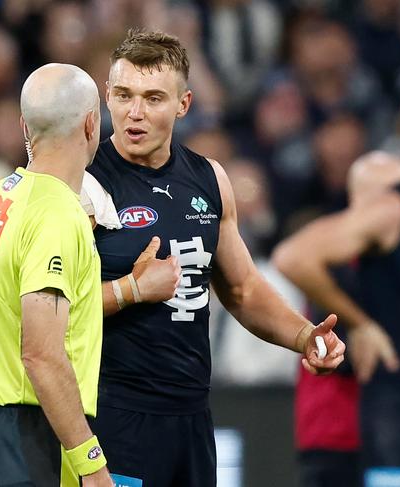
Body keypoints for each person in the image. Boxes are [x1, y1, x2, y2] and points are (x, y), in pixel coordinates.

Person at [84, 30, 346, 487]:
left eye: (153, 98)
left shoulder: (209, 179)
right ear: (107, 94)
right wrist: (132, 291)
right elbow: (50, 308)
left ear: (183, 105)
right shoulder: (82, 185)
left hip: (192, 419)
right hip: (112, 417)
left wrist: (305, 336)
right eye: (123, 95)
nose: (135, 112)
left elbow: (242, 288)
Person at [0, 64, 113, 487]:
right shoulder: (58, 216)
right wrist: (92, 465)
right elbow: (41, 354)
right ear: (91, 122)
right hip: (33, 434)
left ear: (24, 125)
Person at [272, 148, 400, 484]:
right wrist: (366, 328)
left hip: (375, 427)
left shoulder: (385, 264)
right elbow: (340, 353)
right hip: (335, 433)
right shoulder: (336, 265)